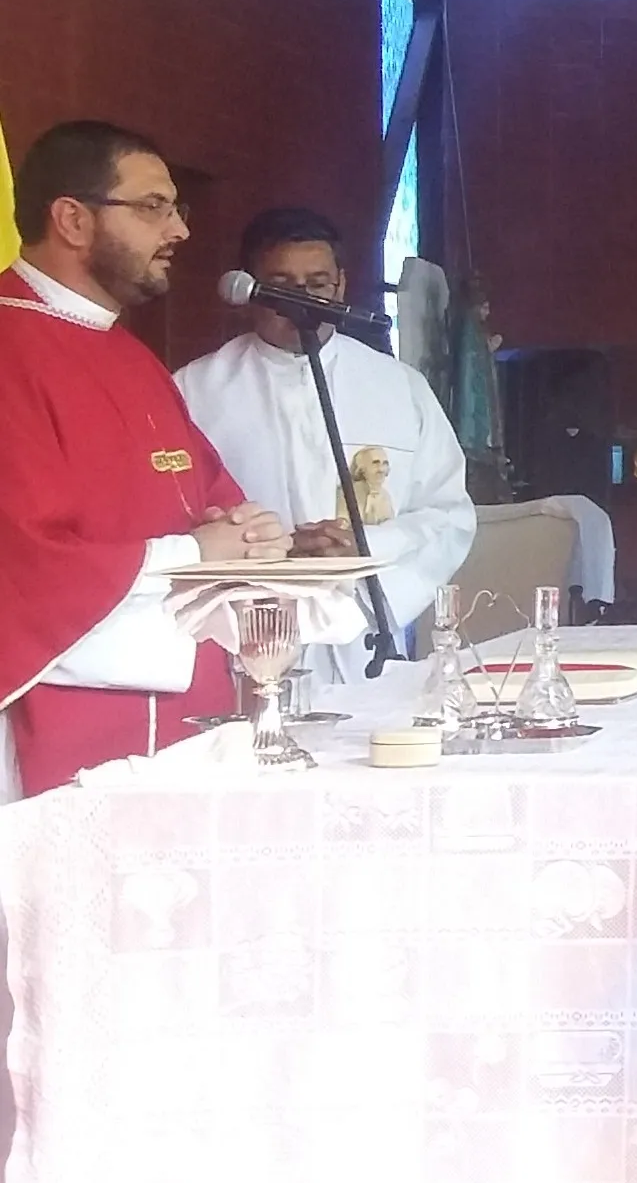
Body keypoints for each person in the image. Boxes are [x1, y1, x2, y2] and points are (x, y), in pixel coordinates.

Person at [0, 121, 290, 793]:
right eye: (153, 206)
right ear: (72, 219)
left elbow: (207, 490)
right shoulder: (9, 345)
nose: (179, 229)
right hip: (58, 722)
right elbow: (20, 557)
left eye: (176, 208)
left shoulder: (130, 355)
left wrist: (252, 530)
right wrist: (194, 553)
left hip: (181, 718)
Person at [176, 207, 474, 684]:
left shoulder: (398, 387)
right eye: (279, 287)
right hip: (246, 637)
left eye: (317, 284)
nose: (302, 302)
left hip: (367, 638)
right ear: (249, 290)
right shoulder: (193, 391)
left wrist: (363, 550)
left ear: (340, 286)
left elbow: (449, 514)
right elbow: (171, 521)